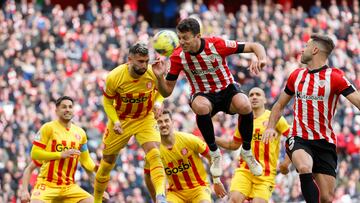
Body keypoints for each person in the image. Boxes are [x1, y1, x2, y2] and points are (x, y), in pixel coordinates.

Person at [152, 17, 266, 177]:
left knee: (245, 105)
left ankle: (247, 151)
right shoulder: (177, 56)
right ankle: (214, 152)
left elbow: (255, 46)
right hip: (203, 94)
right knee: (200, 107)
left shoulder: (216, 45)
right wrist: (159, 77)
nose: (182, 42)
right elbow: (167, 92)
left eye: (185, 38)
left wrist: (262, 58)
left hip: (227, 90)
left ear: (198, 36)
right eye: (179, 38)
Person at [262, 34, 360, 203]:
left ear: (315, 50)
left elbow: (358, 101)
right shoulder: (296, 75)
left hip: (325, 142)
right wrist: (271, 127)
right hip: (299, 138)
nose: (302, 49)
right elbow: (279, 105)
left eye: (306, 46)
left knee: (327, 198)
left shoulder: (335, 77)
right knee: (304, 167)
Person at [94, 42, 167, 203]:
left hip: (145, 118)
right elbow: (107, 103)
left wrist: (158, 103)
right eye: (140, 61)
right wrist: (115, 121)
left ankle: (161, 196)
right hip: (122, 120)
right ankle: (97, 199)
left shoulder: (152, 72)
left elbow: (163, 92)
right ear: (129, 60)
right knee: (107, 162)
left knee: (155, 152)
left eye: (146, 61)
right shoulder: (114, 77)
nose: (144, 65)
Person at [215, 87, 290, 203]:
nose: (254, 97)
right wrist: (210, 138)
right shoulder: (243, 120)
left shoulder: (275, 118)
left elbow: (293, 138)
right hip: (245, 171)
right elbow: (233, 144)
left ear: (265, 100)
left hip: (266, 174)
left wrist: (286, 162)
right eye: (251, 95)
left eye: (258, 94)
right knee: (234, 199)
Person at [145, 109, 227, 203]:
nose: (163, 124)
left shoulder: (188, 139)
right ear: (155, 126)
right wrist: (155, 198)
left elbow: (212, 156)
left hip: (198, 189)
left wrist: (216, 181)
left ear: (172, 123)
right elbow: (147, 175)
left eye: (166, 120)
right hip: (175, 193)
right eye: (159, 122)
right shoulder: (154, 150)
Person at [30, 96, 99, 203]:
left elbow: (85, 160)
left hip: (69, 186)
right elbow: (35, 153)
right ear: (56, 111)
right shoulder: (48, 128)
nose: (68, 109)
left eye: (70, 107)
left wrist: (95, 168)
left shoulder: (81, 133)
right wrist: (60, 155)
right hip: (47, 184)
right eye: (64, 107)